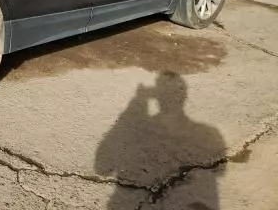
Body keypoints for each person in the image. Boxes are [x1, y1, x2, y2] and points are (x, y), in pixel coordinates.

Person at [95, 72, 226, 209]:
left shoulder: (207, 133)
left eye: (173, 91)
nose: (170, 97)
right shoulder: (208, 132)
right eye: (165, 91)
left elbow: (102, 167)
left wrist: (138, 101)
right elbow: (102, 168)